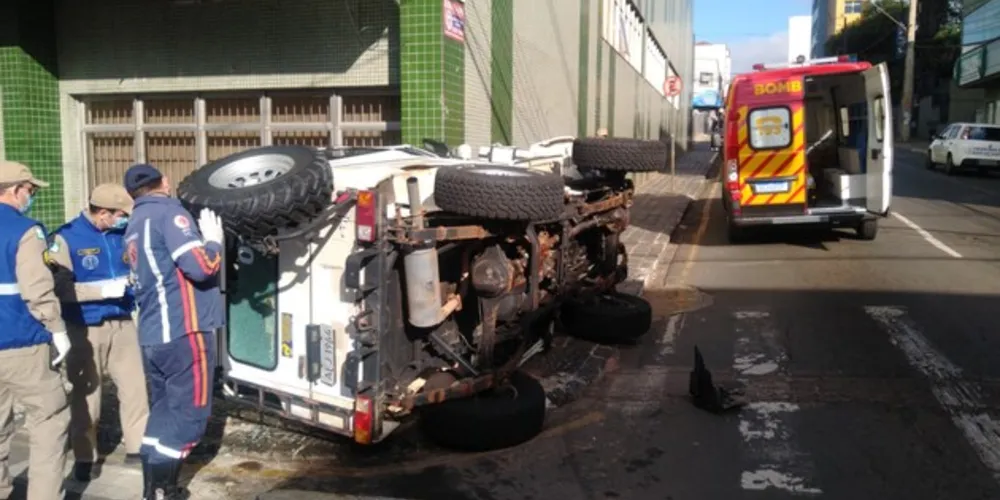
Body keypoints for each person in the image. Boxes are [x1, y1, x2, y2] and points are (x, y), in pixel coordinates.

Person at [122, 164, 225, 500]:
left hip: (153, 334)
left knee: (164, 411)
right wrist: (214, 243)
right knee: (189, 415)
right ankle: (164, 491)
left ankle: (152, 489)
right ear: (164, 183)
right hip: (184, 331)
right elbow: (201, 266)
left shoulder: (133, 224)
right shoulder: (170, 215)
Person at [46, 183, 150, 482]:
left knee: (135, 389)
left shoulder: (121, 235)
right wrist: (103, 290)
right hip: (85, 326)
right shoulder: (64, 238)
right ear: (102, 213)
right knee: (86, 395)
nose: (123, 220)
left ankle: (136, 448)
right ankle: (84, 456)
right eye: (119, 215)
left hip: (122, 323)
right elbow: (61, 289)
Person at [0, 160, 71, 500]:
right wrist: (57, 329)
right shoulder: (26, 231)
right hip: (21, 344)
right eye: (29, 190)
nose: (31, 197)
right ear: (14, 190)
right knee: (49, 421)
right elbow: (37, 289)